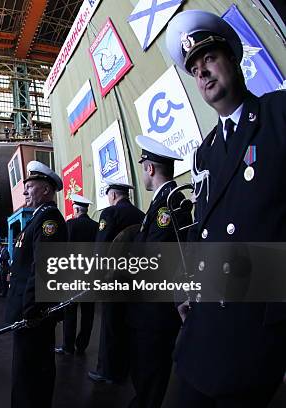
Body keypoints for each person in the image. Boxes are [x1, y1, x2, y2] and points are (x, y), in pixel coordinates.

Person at [165, 10, 286, 407]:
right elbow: (206, 227)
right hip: (203, 328)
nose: (202, 73)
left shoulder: (277, 115)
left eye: (210, 59)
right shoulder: (206, 152)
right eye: (195, 69)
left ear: (234, 60)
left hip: (257, 328)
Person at [125, 136, 192, 408]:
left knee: (151, 372)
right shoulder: (161, 202)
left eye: (143, 167)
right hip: (149, 308)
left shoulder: (167, 206)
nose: (143, 173)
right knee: (144, 369)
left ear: (150, 169)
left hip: (157, 310)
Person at [5, 161, 67, 408]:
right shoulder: (38, 218)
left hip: (33, 315)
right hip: (28, 311)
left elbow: (44, 269)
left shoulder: (49, 220)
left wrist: (30, 310)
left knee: (31, 373)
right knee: (25, 371)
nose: (25, 191)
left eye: (29, 186)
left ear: (45, 190)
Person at [89, 179, 144, 384]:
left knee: (111, 325)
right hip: (135, 278)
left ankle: (107, 371)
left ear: (112, 195)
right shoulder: (141, 215)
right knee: (127, 324)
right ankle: (125, 368)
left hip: (113, 279)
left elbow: (101, 248)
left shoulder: (110, 213)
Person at [55, 194, 97, 356]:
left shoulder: (70, 225)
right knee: (88, 313)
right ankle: (82, 345)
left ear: (77, 209)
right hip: (90, 276)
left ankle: (68, 346)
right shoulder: (95, 226)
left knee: (69, 312)